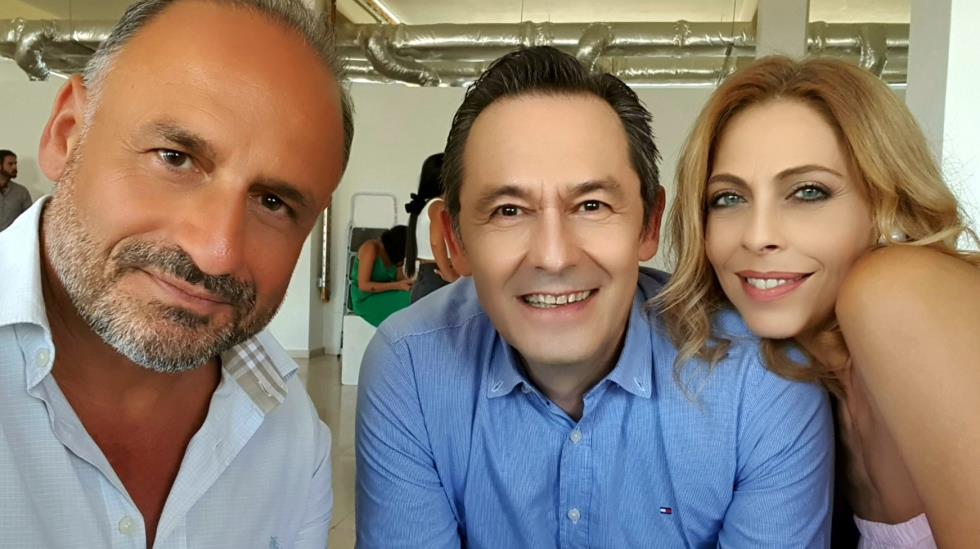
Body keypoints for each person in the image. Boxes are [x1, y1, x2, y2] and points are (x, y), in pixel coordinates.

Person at [355, 45, 833, 548]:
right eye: (508, 211)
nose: (553, 257)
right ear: (455, 240)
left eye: (591, 205)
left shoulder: (759, 380)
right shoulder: (411, 365)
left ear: (649, 224)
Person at [0, 0, 353, 547]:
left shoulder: (289, 430)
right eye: (175, 158)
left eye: (273, 202)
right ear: (67, 134)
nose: (217, 252)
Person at [656, 56, 980, 548]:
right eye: (728, 198)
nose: (758, 236)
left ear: (885, 202)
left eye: (808, 192)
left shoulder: (895, 289)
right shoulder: (793, 386)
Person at [404, 152, 459, 302]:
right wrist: (449, 274)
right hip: (437, 277)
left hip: (431, 277)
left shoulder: (429, 205)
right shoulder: (438, 206)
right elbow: (436, 243)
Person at [351, 224, 412, 326]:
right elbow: (364, 286)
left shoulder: (395, 258)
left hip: (386, 294)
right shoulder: (371, 248)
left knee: (418, 293)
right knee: (410, 300)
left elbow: (400, 279)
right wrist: (398, 285)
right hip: (365, 299)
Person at [0, 149, 32, 231]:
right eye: (10, 164)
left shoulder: (22, 192)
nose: (14, 167)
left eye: (15, 163)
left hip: (14, 237)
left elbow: (30, 218)